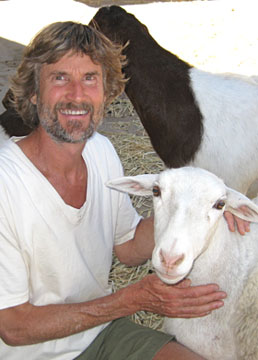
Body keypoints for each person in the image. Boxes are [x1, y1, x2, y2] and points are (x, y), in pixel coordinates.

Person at [0, 21, 249, 360]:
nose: (77, 95)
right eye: (60, 78)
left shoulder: (101, 150)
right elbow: (13, 327)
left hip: (100, 334)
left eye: (90, 78)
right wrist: (132, 300)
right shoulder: (6, 182)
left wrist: (194, 209)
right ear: (33, 91)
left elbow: (129, 247)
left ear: (108, 92)